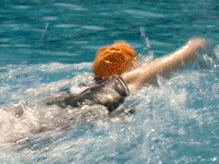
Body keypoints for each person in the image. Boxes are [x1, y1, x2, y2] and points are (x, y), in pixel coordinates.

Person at [45, 38, 207, 113]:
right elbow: (191, 49)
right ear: (129, 71)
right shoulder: (118, 85)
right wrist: (199, 44)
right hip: (55, 125)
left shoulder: (78, 87)